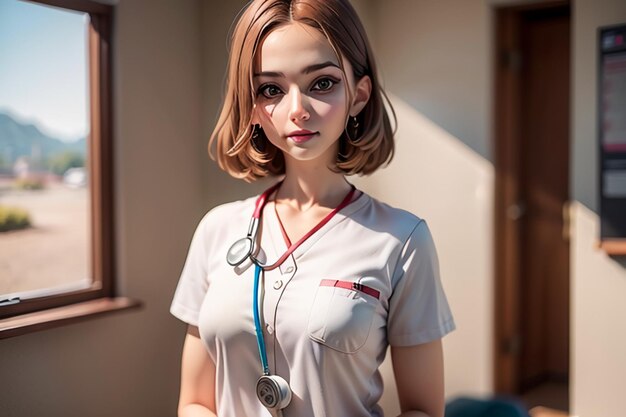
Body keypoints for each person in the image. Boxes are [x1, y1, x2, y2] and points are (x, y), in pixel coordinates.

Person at [170, 1, 456, 416]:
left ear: (359, 95)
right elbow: (195, 402)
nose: (297, 109)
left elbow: (424, 411)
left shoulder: (403, 240)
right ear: (251, 107)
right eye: (271, 89)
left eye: (322, 83)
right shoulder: (216, 230)